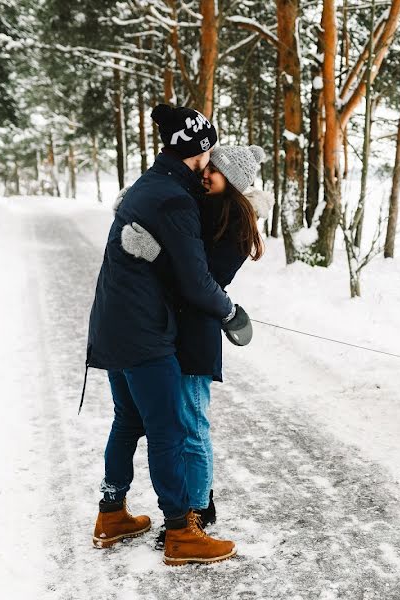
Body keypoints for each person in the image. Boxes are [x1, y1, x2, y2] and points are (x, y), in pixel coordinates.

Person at [85, 104, 245, 566]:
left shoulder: (155, 184)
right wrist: (229, 310)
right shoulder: (174, 199)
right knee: (168, 429)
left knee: (129, 421)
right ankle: (180, 532)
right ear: (196, 151)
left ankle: (111, 513)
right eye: (208, 150)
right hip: (143, 330)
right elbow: (196, 281)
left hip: (114, 324)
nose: (210, 158)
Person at [120, 145, 271, 542]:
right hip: (173, 329)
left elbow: (197, 278)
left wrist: (152, 252)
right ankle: (192, 503)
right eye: (208, 168)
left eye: (214, 172)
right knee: (174, 423)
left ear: (234, 184)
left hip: (197, 334)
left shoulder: (235, 223)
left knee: (191, 424)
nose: (206, 175)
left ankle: (198, 509)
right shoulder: (207, 207)